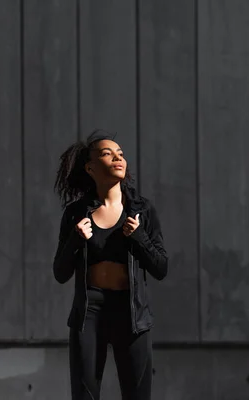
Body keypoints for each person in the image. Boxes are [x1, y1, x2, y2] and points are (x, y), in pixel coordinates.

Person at [52, 129, 168, 400]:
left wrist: (138, 236)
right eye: (107, 153)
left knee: (137, 395)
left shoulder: (142, 210)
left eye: (121, 154)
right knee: (85, 395)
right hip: (89, 314)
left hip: (131, 313)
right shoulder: (76, 214)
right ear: (90, 167)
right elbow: (60, 273)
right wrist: (75, 240)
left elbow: (161, 268)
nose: (118, 157)